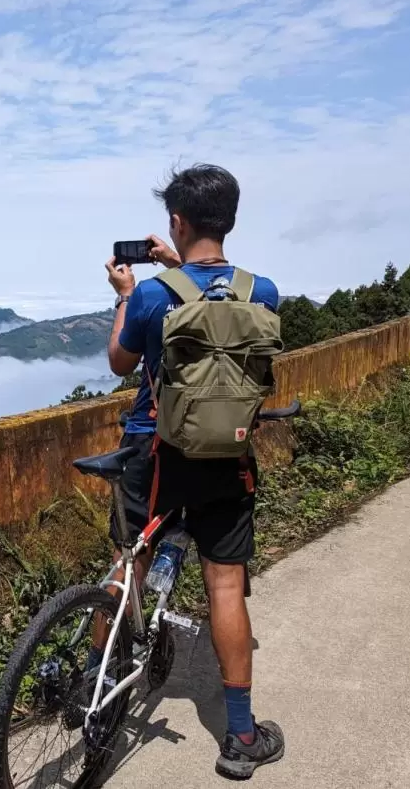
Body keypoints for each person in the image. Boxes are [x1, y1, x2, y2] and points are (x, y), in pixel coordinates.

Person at [96, 163, 284, 779]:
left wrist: (126, 294)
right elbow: (216, 296)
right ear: (229, 219)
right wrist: (179, 259)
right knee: (225, 584)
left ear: (176, 219)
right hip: (226, 457)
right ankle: (240, 736)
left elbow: (122, 361)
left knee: (129, 567)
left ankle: (89, 691)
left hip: (156, 453)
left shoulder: (153, 293)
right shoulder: (263, 291)